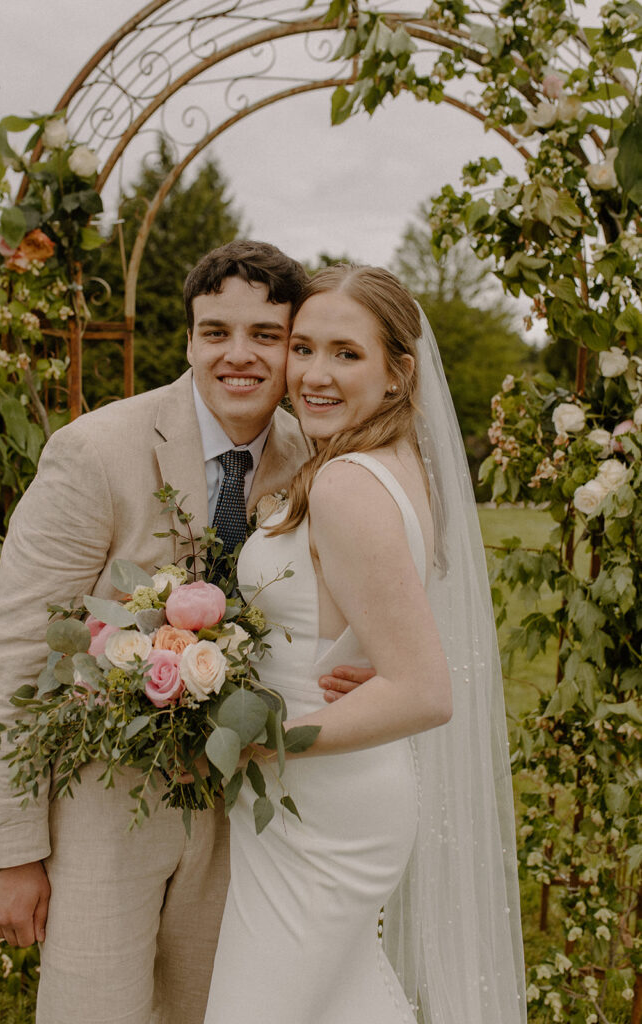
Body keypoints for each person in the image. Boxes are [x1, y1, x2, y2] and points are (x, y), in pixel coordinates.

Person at [0, 240, 368, 1024]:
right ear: (187, 340)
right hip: (103, 808)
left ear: (293, 347)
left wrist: (350, 668)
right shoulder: (95, 451)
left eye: (265, 334)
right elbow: (15, 651)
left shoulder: (316, 460)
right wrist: (8, 850)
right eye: (215, 332)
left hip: (247, 816)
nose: (238, 355)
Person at [203, 265, 527, 1024]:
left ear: (396, 375)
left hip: (323, 802)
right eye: (303, 348)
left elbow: (422, 690)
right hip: (318, 794)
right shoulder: (388, 462)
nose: (314, 374)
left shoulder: (347, 484)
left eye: (345, 354)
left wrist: (257, 741)